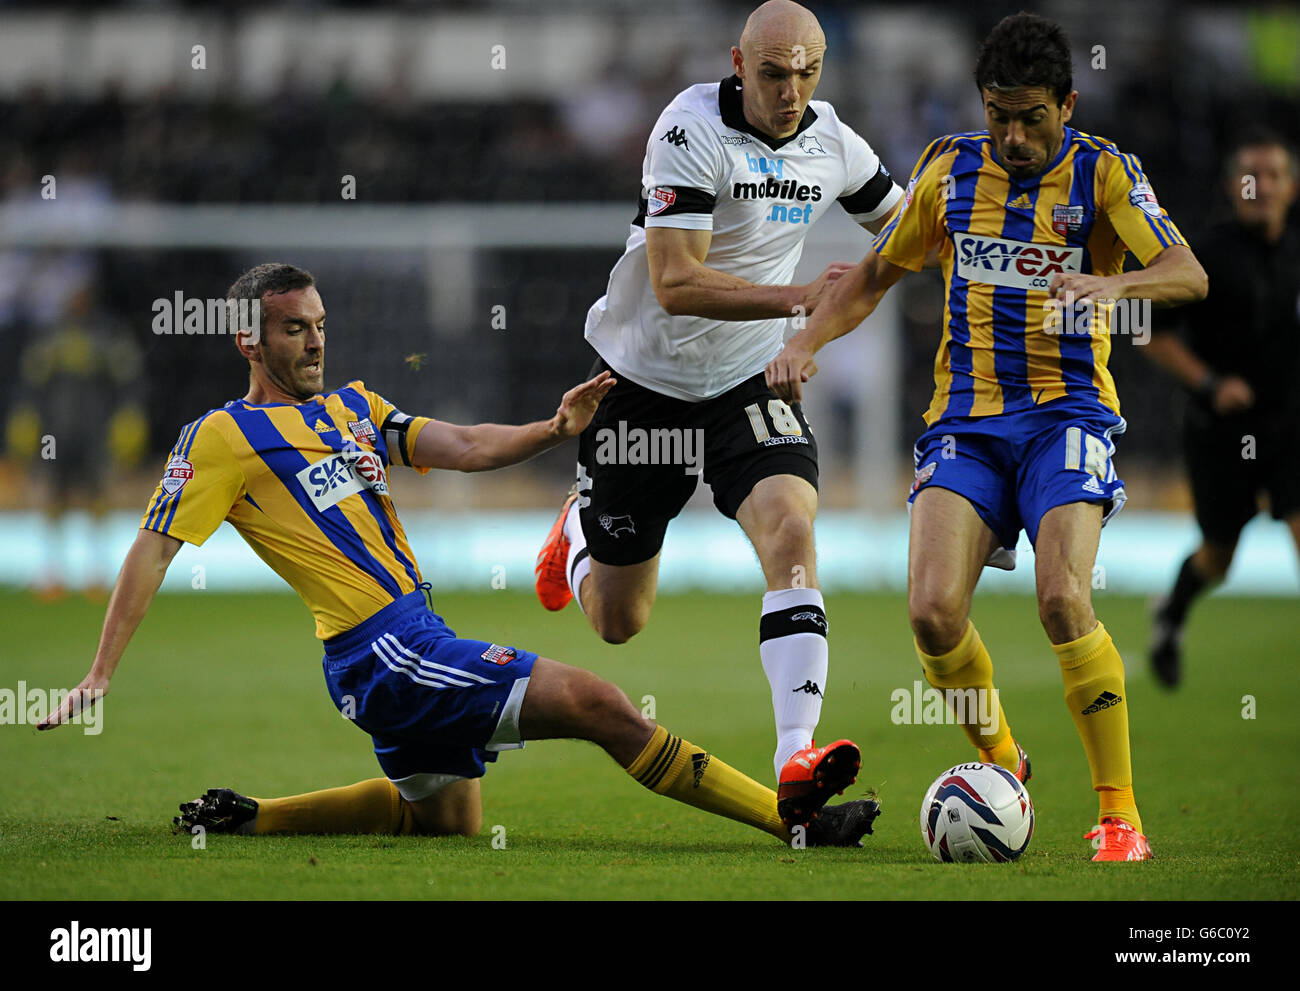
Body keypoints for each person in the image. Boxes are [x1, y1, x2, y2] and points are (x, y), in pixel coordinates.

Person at [38, 263, 878, 848]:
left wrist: (553, 430)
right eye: (295, 330)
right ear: (248, 342)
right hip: (383, 649)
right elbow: (152, 549)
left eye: (320, 326)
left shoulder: (354, 407)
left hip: (413, 633)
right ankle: (791, 817)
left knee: (445, 822)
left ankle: (251, 815)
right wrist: (103, 671)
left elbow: (467, 443)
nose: (314, 343)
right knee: (602, 703)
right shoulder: (223, 438)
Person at [765, 13, 1209, 860]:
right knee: (932, 613)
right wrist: (803, 340)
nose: (1011, 135)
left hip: (1066, 416)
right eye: (998, 114)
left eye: (1031, 117)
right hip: (966, 421)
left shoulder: (1106, 174)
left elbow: (1188, 272)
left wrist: (1118, 291)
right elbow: (874, 274)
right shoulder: (948, 169)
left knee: (1060, 597)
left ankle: (1119, 815)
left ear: (1067, 105)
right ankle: (1005, 764)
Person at [532, 0, 903, 818]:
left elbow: (904, 235)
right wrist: (800, 296)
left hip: (746, 383)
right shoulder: (687, 128)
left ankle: (794, 753)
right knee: (619, 624)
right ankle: (577, 533)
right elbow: (676, 282)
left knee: (791, 530)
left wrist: (980, 217)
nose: (791, 90)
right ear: (739, 65)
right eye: (774, 73)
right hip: (641, 385)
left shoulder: (835, 141)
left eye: (807, 72)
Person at [1146, 130, 1300, 687]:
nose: (1261, 188)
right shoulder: (1202, 257)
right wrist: (1211, 383)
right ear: (1233, 187)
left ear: (1292, 185)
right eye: (1250, 177)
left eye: (1273, 176)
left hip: (1290, 425)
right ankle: (1171, 612)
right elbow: (1152, 335)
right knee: (1219, 555)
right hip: (1221, 429)